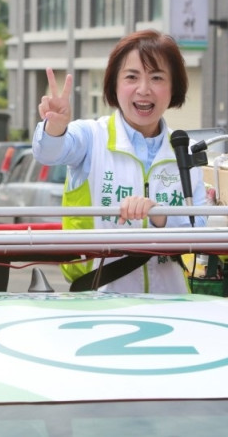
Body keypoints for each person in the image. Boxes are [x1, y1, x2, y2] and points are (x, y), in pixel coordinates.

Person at [33, 29, 207, 294]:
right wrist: (54, 128)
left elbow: (201, 230)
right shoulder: (91, 136)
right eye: (132, 77)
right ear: (114, 84)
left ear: (174, 87)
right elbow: (49, 153)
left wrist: (160, 217)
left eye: (157, 77)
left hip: (172, 307)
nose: (144, 89)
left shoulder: (185, 151)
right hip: (101, 304)